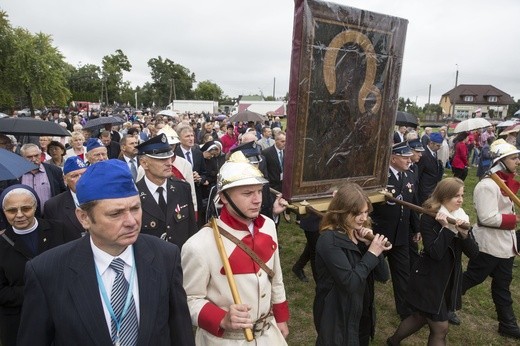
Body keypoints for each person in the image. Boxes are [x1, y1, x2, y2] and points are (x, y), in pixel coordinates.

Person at [17, 159, 195, 346]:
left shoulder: (166, 256)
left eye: (135, 208)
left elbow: (180, 332)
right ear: (84, 218)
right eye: (115, 214)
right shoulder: (47, 272)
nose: (131, 221)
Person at [181, 151, 290, 344]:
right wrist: (221, 319)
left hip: (268, 334)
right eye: (248, 193)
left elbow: (276, 277)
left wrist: (281, 317)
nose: (257, 199)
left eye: (258, 191)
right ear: (224, 197)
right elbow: (189, 300)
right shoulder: (198, 245)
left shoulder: (268, 225)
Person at [387, 178, 479, 346]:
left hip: (447, 279)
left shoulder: (460, 216)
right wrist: (446, 229)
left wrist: (464, 235)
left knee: (420, 316)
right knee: (441, 328)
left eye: (462, 195)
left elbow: (474, 253)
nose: (460, 200)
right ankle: (393, 341)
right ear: (444, 197)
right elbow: (435, 253)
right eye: (455, 196)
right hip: (429, 279)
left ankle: (393, 341)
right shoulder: (429, 218)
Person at [314, 183, 391, 346]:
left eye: (365, 212)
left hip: (361, 316)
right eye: (357, 213)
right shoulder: (329, 240)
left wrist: (371, 247)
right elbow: (350, 282)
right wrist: (371, 253)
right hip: (338, 320)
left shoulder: (359, 236)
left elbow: (383, 276)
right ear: (341, 211)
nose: (363, 218)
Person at [0, 185, 78, 346]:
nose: (19, 215)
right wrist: (39, 291)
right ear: (4, 212)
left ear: (35, 207)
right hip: (21, 321)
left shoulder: (60, 229)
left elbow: (80, 266)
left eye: (26, 208)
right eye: (12, 210)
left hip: (64, 317)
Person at [462, 139, 520, 340]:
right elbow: (487, 217)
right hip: (489, 244)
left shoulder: (504, 182)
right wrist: (516, 219)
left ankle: (508, 325)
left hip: (505, 245)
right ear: (501, 161)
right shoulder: (487, 185)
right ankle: (439, 303)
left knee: (502, 286)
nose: (518, 161)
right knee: (471, 279)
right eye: (514, 158)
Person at [371, 142, 419, 320]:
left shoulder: (410, 175)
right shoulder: (380, 177)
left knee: (402, 273)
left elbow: (414, 204)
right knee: (370, 271)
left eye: (409, 156)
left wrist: (416, 228)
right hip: (380, 235)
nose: (409, 159)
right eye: (405, 157)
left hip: (401, 234)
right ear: (393, 158)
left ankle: (405, 310)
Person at [136, 134, 197, 249]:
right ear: (144, 163)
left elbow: (191, 229)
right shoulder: (134, 194)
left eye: (169, 157)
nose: (169, 163)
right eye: (162, 159)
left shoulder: (182, 188)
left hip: (180, 260)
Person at [44, 156, 88, 238]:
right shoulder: (53, 205)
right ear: (65, 180)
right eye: (74, 176)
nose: (81, 179)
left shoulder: (104, 198)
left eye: (84, 174)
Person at [19, 143, 66, 216]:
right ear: (22, 158)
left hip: (51, 217)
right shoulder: (17, 175)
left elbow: (63, 192)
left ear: (41, 154)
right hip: (25, 218)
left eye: (36, 155)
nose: (34, 159)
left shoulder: (54, 171)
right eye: (29, 157)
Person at [417, 132, 444, 205]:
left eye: (440, 146)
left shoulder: (434, 152)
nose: (439, 148)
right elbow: (417, 174)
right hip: (424, 190)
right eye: (438, 145)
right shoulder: (423, 155)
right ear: (431, 143)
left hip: (432, 187)